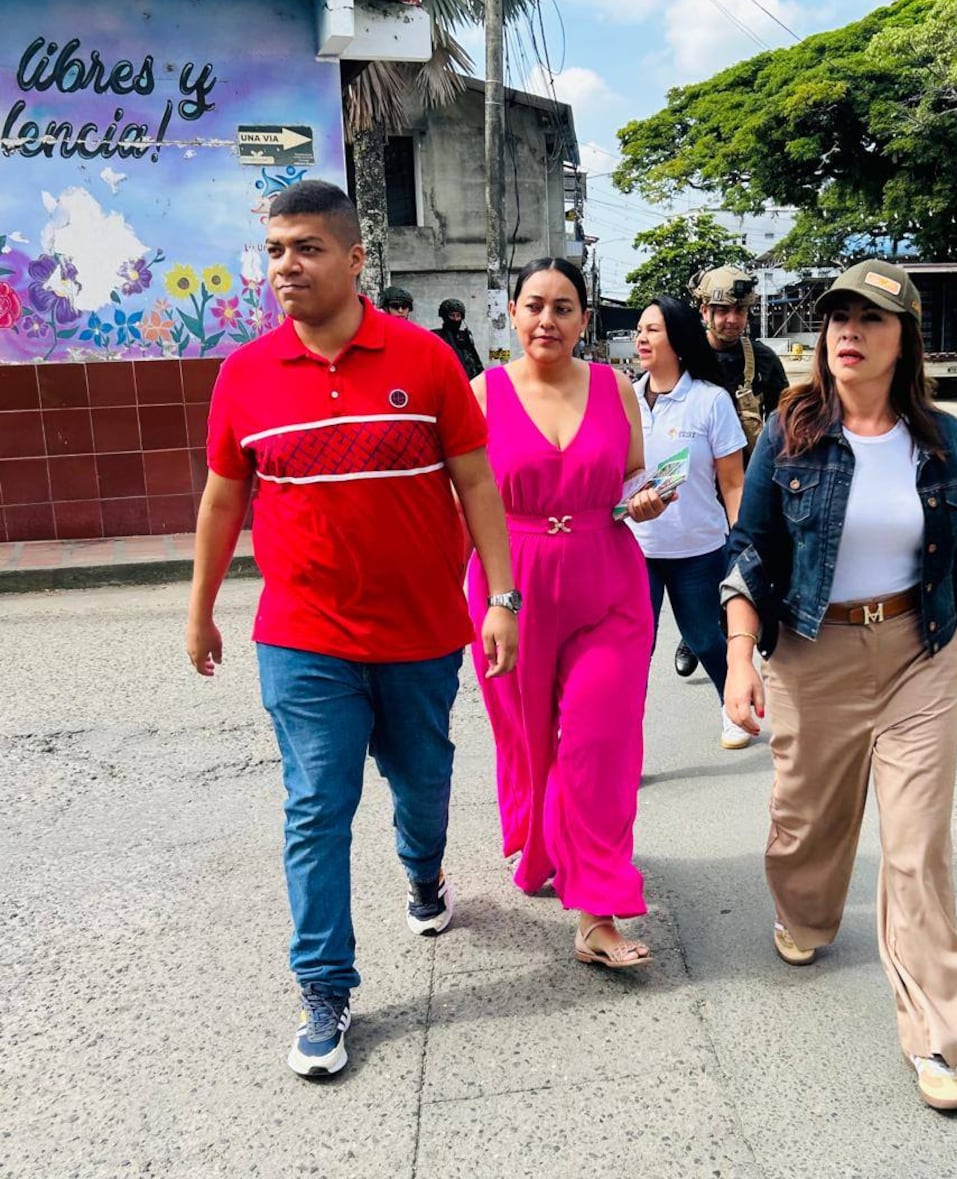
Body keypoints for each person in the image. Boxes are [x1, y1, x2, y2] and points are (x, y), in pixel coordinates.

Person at [185, 179, 518, 1079]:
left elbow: (476, 482)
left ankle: (423, 871)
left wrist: (503, 597)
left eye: (307, 248)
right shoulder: (245, 375)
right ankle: (324, 988)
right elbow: (223, 499)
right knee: (316, 809)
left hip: (420, 634)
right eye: (275, 251)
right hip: (303, 637)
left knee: (423, 784)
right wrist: (201, 608)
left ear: (355, 258)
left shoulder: (427, 360)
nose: (286, 266)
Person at [721, 258, 957, 1113]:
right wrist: (739, 655)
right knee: (807, 819)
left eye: (870, 318)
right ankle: (808, 914)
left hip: (923, 651)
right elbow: (751, 548)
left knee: (917, 847)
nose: (848, 331)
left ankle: (937, 1033)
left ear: (904, 338)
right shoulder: (791, 429)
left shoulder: (943, 436)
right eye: (838, 317)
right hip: (814, 652)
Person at [467, 257, 671, 969]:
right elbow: (462, 501)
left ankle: (597, 910)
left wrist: (646, 496)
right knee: (529, 741)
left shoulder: (615, 387)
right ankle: (543, 845)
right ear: (512, 314)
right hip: (511, 585)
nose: (547, 320)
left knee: (599, 742)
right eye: (534, 305)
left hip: (607, 578)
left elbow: (634, 473)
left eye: (563, 307)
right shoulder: (482, 393)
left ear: (585, 319)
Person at [628, 295, 749, 749]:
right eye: (640, 330)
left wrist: (743, 545)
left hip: (698, 548)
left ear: (678, 340)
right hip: (635, 549)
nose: (641, 338)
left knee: (705, 638)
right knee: (633, 650)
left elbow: (732, 484)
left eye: (653, 330)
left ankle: (734, 707)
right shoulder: (625, 399)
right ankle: (625, 742)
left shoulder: (710, 401)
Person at [669, 266, 789, 679]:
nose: (731, 319)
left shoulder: (764, 361)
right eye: (721, 310)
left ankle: (741, 632)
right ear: (703, 311)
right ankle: (695, 632)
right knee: (697, 568)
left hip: (748, 483)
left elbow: (785, 422)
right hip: (697, 485)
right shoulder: (683, 358)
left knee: (747, 560)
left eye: (739, 310)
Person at [433, 297, 484, 380]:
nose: (455, 319)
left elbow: (475, 360)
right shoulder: (437, 336)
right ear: (445, 317)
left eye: (458, 316)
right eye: (451, 315)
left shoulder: (465, 336)